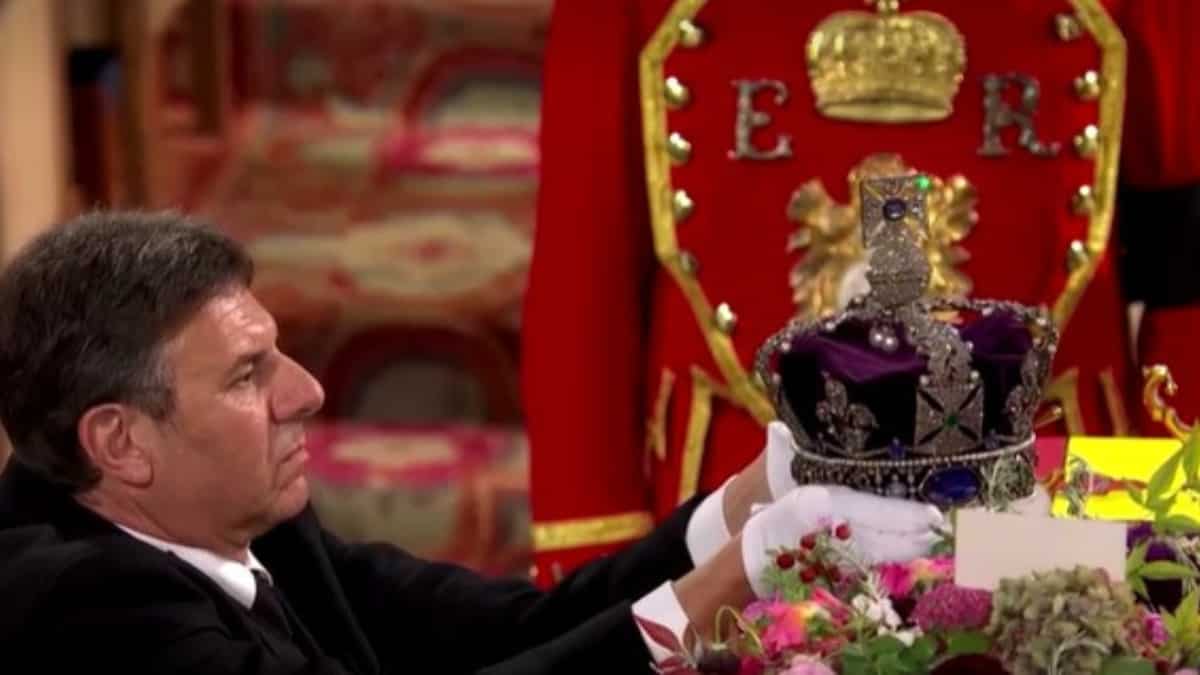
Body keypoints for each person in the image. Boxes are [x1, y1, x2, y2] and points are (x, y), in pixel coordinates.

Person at [0, 211, 942, 673]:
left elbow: (517, 631)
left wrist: (747, 500)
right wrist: (728, 585)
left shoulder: (251, 523)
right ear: (120, 443)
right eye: (247, 375)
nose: (308, 391)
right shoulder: (86, 610)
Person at [521, 0, 1200, 586]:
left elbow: (1183, 269)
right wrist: (602, 565)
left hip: (1051, 501)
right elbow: (584, 286)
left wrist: (1183, 525)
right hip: (734, 507)